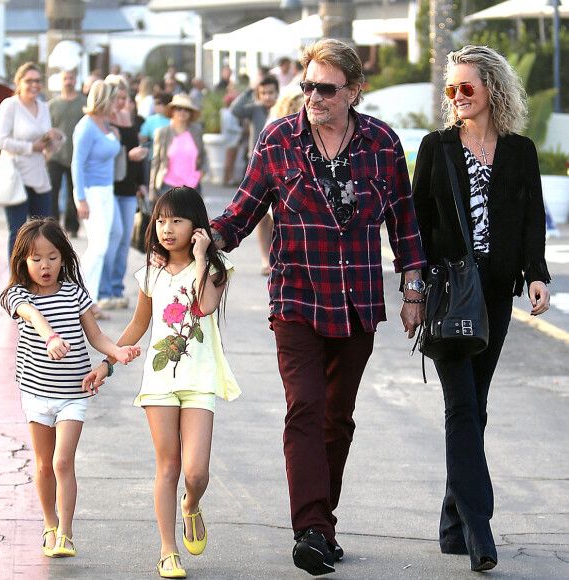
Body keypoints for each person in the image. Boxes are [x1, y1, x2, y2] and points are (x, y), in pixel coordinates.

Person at [211, 39, 426, 576]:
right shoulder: (279, 138)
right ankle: (309, 529)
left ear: (355, 91)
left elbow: (404, 222)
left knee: (337, 418)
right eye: (307, 86)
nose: (312, 96)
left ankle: (321, 522)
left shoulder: (381, 143)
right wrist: (201, 238)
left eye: (325, 88)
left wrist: (414, 290)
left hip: (356, 302)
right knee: (304, 408)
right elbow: (242, 211)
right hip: (296, 297)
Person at [411, 45, 551, 573]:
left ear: (492, 88)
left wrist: (536, 274)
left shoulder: (520, 151)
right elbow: (416, 225)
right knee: (462, 408)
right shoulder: (436, 147)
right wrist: (415, 290)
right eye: (451, 89)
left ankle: (451, 523)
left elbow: (533, 217)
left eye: (466, 87)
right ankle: (479, 531)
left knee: (477, 405)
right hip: (448, 295)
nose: (457, 97)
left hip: (495, 296)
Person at [82, 187, 240, 578]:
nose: (167, 229)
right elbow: (138, 324)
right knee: (168, 468)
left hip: (199, 379)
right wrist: (108, 362)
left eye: (178, 221)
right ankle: (169, 551)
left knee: (196, 473)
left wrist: (202, 257)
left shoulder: (216, 269)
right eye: (162, 221)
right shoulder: (150, 272)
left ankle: (191, 506)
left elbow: (203, 306)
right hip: (159, 381)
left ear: (197, 228)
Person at [0, 218, 140, 560]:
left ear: (64, 257)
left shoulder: (75, 293)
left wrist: (115, 352)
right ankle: (50, 523)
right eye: (36, 258)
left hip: (72, 394)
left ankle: (66, 532)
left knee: (63, 462)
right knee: (44, 464)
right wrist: (49, 336)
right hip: (35, 393)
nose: (45, 265)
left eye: (52, 256)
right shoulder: (18, 295)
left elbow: (95, 336)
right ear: (23, 262)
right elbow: (31, 315)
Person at [0, 62, 64, 257]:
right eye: (29, 80)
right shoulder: (10, 105)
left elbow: (47, 146)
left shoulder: (43, 106)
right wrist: (30, 147)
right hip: (16, 176)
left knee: (43, 231)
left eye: (38, 81)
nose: (34, 85)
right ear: (19, 82)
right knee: (17, 232)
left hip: (39, 176)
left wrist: (55, 138)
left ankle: (37, 276)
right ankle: (16, 281)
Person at [71, 79, 121, 319]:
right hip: (90, 191)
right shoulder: (86, 127)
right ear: (104, 99)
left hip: (106, 191)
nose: (117, 104)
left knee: (102, 246)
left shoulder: (106, 125)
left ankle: (89, 300)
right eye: (114, 99)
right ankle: (79, 294)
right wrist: (80, 197)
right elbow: (77, 164)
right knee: (98, 246)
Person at [97, 75, 148, 311]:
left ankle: (117, 288)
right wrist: (128, 156)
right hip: (109, 187)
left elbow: (136, 153)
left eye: (123, 98)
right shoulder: (104, 121)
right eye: (115, 98)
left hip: (128, 188)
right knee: (111, 238)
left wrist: (141, 183)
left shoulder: (131, 119)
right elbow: (104, 155)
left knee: (125, 239)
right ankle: (104, 289)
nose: (119, 102)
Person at [229, 75, 279, 275]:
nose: (268, 97)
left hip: (278, 167)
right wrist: (249, 90)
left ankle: (277, 256)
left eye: (271, 93)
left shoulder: (285, 109)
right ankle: (265, 258)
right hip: (257, 167)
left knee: (278, 216)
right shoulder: (255, 110)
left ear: (277, 92)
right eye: (263, 93)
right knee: (261, 217)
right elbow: (235, 109)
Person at [48, 69, 87, 238]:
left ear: (75, 79)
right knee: (52, 191)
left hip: (76, 156)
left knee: (73, 192)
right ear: (61, 81)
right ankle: (52, 226)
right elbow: (47, 129)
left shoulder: (83, 103)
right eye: (65, 78)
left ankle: (72, 227)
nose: (68, 81)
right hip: (55, 156)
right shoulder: (53, 105)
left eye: (71, 78)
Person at [149, 93, 208, 201]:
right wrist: (152, 190)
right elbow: (156, 162)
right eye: (179, 108)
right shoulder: (163, 133)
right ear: (172, 111)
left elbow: (203, 154)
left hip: (192, 186)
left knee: (191, 217)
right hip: (168, 186)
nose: (182, 112)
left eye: (186, 109)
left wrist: (201, 173)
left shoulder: (196, 131)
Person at [220, 92, 243, 185]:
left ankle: (228, 178)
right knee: (230, 159)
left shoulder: (227, 112)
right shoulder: (228, 113)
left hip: (232, 139)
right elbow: (229, 126)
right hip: (231, 139)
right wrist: (241, 130)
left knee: (231, 159)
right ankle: (228, 179)